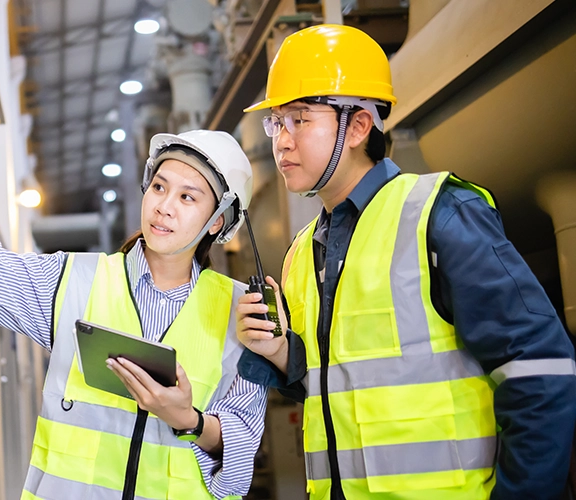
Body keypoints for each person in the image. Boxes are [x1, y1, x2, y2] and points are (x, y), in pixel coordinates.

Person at [235, 24, 576, 499]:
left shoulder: (438, 213)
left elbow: (539, 368)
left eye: (300, 119)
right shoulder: (303, 249)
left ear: (358, 127)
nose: (282, 141)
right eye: (276, 122)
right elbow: (337, 388)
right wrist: (281, 355)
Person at [0, 129, 268, 499]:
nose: (164, 207)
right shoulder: (74, 279)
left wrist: (188, 420)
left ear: (218, 220)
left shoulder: (242, 315)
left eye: (187, 197)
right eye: (159, 187)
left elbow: (238, 460)